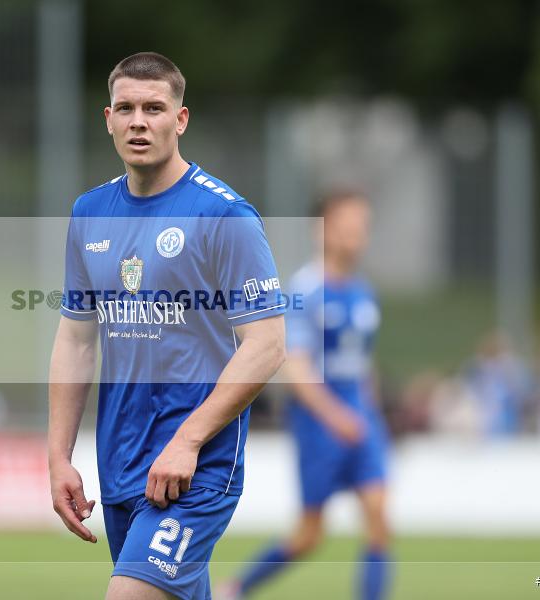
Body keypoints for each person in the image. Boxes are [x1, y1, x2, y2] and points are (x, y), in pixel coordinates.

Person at [48, 52, 286, 600]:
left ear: (180, 120)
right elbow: (77, 339)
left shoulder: (225, 217)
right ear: (107, 118)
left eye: (154, 108)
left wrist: (188, 440)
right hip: (121, 461)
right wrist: (59, 455)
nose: (139, 121)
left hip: (197, 467)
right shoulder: (90, 212)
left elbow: (267, 345)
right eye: (126, 108)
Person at [223, 191, 391, 600]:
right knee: (309, 535)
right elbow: (295, 367)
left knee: (379, 519)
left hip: (359, 420)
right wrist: (337, 418)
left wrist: (372, 415)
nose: (355, 233)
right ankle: (236, 588)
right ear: (322, 230)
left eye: (361, 224)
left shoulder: (363, 291)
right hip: (320, 424)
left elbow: (363, 363)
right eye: (345, 223)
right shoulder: (305, 290)